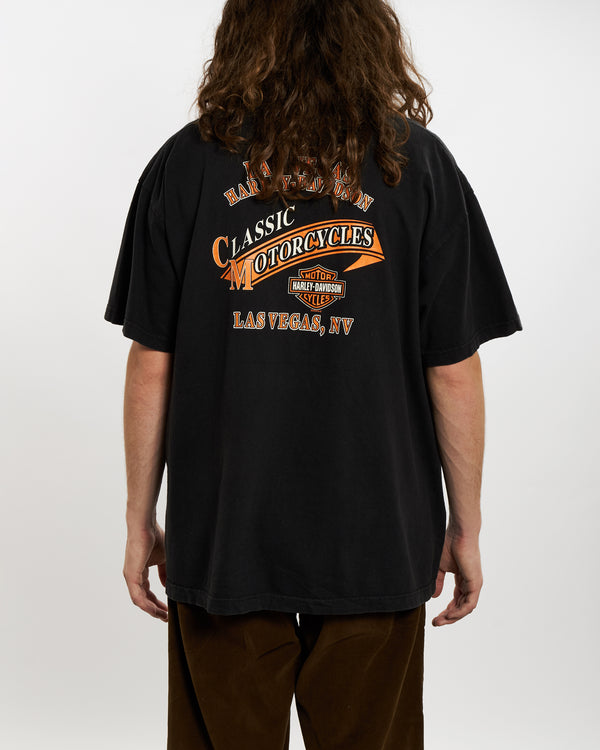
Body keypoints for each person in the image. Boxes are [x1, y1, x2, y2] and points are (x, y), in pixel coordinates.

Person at [103, 1, 523, 748]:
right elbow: (453, 369)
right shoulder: (418, 165)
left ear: (241, 34)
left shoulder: (186, 164)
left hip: (225, 531)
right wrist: (465, 525)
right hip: (379, 528)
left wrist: (140, 521)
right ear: (368, 34)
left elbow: (151, 363)